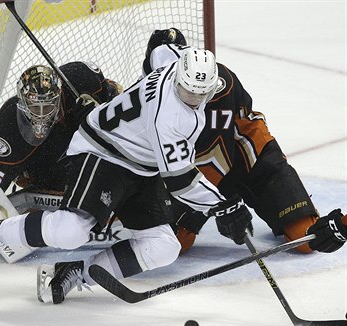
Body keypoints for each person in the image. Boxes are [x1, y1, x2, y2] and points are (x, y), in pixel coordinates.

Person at [0, 46, 256, 305]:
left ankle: (76, 271)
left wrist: (224, 207)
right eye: (187, 89)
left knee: (165, 246)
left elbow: (161, 51)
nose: (191, 97)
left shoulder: (173, 64)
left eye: (199, 92)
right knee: (72, 230)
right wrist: (225, 206)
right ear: (178, 76)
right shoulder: (169, 117)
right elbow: (180, 182)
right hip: (102, 151)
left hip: (141, 165)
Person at [143, 28, 347, 255]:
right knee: (172, 243)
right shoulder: (151, 91)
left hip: (251, 160)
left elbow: (214, 156)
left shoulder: (219, 87)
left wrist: (219, 206)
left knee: (307, 238)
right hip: (202, 169)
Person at [0, 61, 122, 212]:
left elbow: (118, 93)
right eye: (36, 107)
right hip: (42, 174)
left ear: (58, 97)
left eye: (48, 106)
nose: (42, 115)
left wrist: (101, 113)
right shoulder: (8, 125)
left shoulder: (79, 80)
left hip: (80, 160)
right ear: (22, 102)